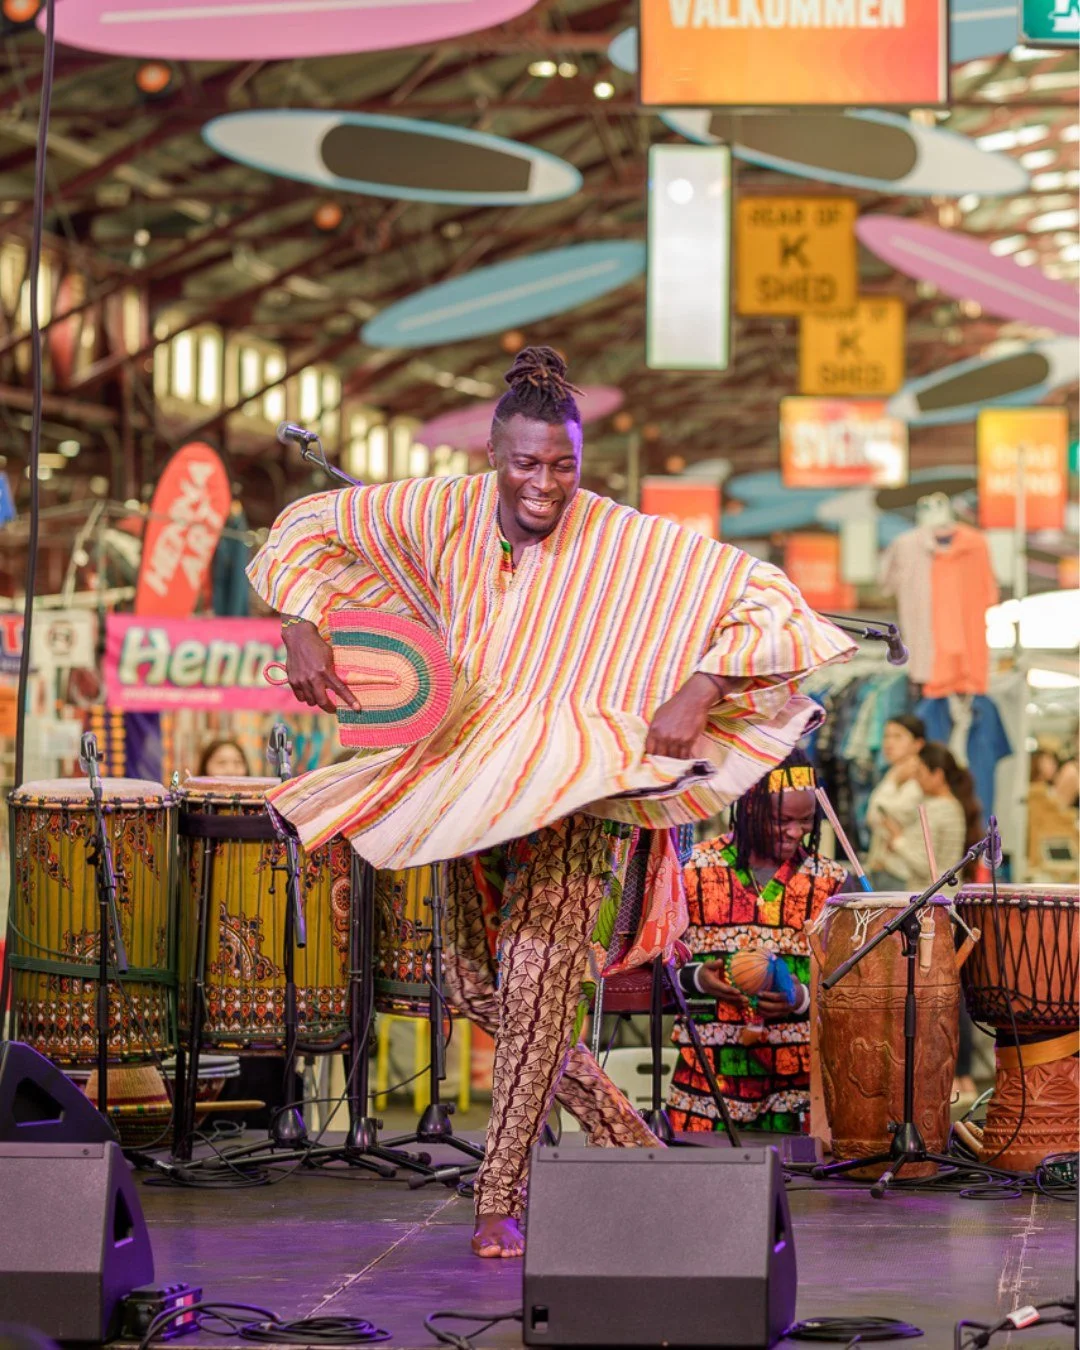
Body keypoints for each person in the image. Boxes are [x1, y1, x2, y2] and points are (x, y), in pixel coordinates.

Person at [247, 346, 855, 1257]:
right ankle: (632, 1145)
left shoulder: (622, 537)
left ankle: (499, 1197)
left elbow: (766, 597)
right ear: (493, 455)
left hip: (581, 781)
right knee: (474, 989)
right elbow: (306, 528)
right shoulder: (439, 508)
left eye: (563, 465)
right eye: (527, 464)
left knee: (536, 979)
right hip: (466, 772)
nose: (545, 484)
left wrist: (700, 688)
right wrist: (301, 623)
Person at [667, 752, 848, 1135]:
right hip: (704, 1091)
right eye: (782, 821)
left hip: (797, 1095)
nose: (795, 832)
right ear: (749, 807)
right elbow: (649, 964)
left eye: (806, 821)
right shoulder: (692, 869)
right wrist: (696, 978)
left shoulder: (830, 882)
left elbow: (854, 988)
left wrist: (800, 998)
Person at [878, 742, 981, 890]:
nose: (916, 779)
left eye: (919, 773)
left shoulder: (938, 809)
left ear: (938, 775)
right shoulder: (952, 805)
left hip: (932, 896)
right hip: (945, 892)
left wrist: (897, 840)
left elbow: (924, 865)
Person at [865, 715, 926, 890]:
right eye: (886, 736)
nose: (889, 743)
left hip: (904, 873)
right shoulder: (894, 773)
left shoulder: (920, 779)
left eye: (898, 736)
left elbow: (876, 814)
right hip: (883, 870)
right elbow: (874, 816)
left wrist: (893, 781)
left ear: (918, 744)